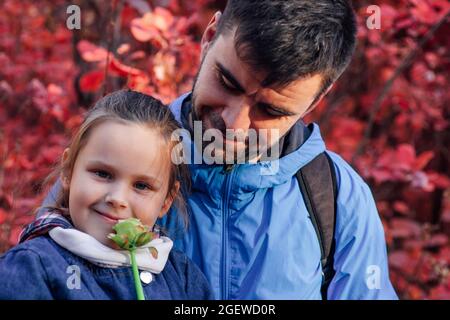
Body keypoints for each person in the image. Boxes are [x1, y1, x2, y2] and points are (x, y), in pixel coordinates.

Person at [34, 0, 398, 299]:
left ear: (317, 99)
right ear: (209, 36)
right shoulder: (116, 158)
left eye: (270, 111)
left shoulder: (337, 199)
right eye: (226, 82)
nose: (234, 124)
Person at [0, 90, 213, 300]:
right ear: (68, 171)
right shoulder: (32, 268)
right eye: (103, 174)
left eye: (141, 186)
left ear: (167, 199)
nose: (117, 198)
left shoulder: (183, 278)